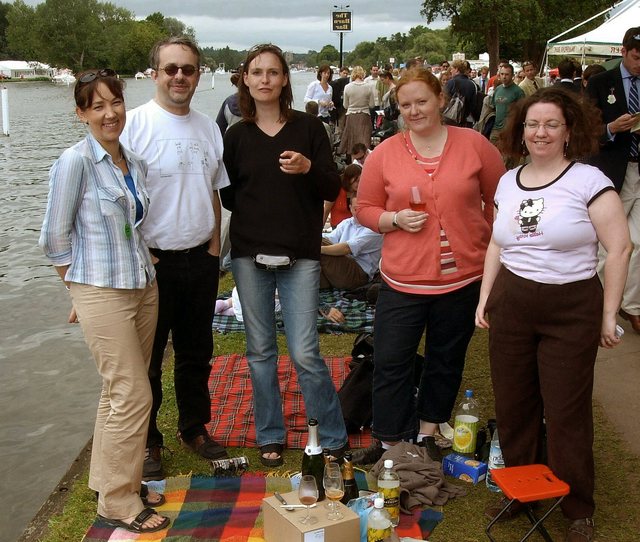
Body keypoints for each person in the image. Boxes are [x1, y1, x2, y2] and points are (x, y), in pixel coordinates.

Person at [476, 87, 630, 542]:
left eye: (551, 124)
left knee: (565, 412)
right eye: (532, 124)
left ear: (568, 132)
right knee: (514, 405)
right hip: (513, 305)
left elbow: (619, 247)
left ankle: (577, 507)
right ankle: (521, 492)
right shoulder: (508, 179)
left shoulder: (589, 180)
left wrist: (607, 315)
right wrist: (486, 299)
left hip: (571, 308)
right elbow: (497, 245)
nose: (540, 133)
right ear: (521, 131)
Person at [352, 67, 505, 466]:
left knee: (446, 358)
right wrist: (393, 220)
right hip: (403, 279)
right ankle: (388, 439)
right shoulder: (385, 152)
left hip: (463, 279)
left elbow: (501, 198)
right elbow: (364, 208)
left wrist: (485, 238)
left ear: (441, 98)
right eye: (405, 104)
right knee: (390, 360)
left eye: (422, 101)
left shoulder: (474, 145)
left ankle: (428, 431)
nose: (414, 110)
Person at [39, 69, 169, 533]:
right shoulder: (74, 163)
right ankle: (117, 501)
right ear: (81, 114)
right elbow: (54, 240)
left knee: (117, 395)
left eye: (115, 102)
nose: (110, 113)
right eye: (97, 106)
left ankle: (116, 481)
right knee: (132, 394)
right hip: (101, 291)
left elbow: (134, 227)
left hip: (141, 285)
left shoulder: (132, 160)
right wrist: (78, 292)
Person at [221, 43, 349, 467]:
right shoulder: (235, 135)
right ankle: (270, 434)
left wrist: (308, 169)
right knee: (260, 351)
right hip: (248, 255)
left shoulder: (309, 128)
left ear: (284, 79)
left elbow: (333, 187)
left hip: (301, 256)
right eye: (255, 72)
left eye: (272, 73)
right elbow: (228, 196)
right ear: (244, 79)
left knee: (305, 352)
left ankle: (331, 434)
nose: (263, 80)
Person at [120, 36, 231, 480]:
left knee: (195, 352)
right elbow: (116, 198)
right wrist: (140, 249)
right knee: (146, 360)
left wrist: (214, 245)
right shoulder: (132, 125)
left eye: (188, 68)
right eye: (171, 69)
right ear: (155, 74)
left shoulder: (208, 127)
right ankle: (148, 441)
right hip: (153, 264)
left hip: (200, 259)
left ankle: (194, 427)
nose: (180, 76)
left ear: (199, 74)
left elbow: (213, 189)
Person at [586, 27, 640, 333]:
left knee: (639, 243)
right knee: (608, 247)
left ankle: (631, 306)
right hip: (610, 172)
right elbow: (583, 130)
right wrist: (611, 128)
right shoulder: (599, 82)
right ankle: (599, 305)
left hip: (638, 170)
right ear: (623, 51)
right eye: (636, 56)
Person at [320, 196, 383, 290]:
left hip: (358, 273)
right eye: (356, 209)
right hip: (341, 267)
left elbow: (347, 248)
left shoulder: (374, 228)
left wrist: (316, 249)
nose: (359, 213)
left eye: (362, 209)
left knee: (315, 244)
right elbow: (328, 239)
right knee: (315, 240)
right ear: (350, 208)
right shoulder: (347, 222)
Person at [338, 66, 375, 156]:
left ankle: (353, 164)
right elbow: (372, 105)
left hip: (351, 116)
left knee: (352, 142)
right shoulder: (368, 87)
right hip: (364, 116)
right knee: (364, 141)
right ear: (363, 74)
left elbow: (345, 105)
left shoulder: (347, 87)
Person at [323, 163, 362, 229]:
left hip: (354, 228)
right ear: (349, 179)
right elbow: (326, 210)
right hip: (337, 228)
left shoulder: (361, 192)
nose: (359, 184)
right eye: (356, 181)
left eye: (361, 181)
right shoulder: (336, 188)